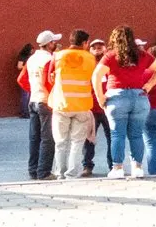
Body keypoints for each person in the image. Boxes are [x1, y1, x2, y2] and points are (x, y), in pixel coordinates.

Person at [93, 25, 156, 178]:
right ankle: (137, 168)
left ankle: (118, 168)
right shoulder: (142, 55)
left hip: (116, 96)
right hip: (139, 97)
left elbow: (96, 76)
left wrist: (101, 97)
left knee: (117, 135)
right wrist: (149, 85)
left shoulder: (111, 56)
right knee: (136, 134)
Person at [48, 30, 96, 179]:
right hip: (82, 105)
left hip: (61, 103)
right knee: (77, 142)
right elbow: (94, 79)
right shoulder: (90, 58)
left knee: (61, 142)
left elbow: (50, 78)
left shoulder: (58, 56)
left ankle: (60, 173)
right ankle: (71, 174)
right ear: (84, 43)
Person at [25, 30, 60, 180]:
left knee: (34, 137)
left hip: (33, 99)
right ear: (49, 44)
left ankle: (33, 169)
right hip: (45, 101)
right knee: (48, 138)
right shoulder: (49, 59)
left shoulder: (31, 59)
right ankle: (44, 172)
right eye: (54, 42)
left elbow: (22, 79)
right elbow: (50, 81)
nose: (56, 44)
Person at [82, 38, 112, 177]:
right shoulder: (87, 65)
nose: (98, 49)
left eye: (101, 46)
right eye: (94, 47)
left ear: (106, 48)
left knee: (113, 137)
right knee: (89, 139)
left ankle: (113, 165)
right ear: (90, 49)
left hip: (109, 107)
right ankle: (87, 166)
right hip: (91, 107)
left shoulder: (110, 65)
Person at [15, 42, 34, 119]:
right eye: (31, 50)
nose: (32, 52)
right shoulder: (22, 56)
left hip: (29, 77)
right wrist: (28, 67)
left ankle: (27, 112)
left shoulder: (28, 57)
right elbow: (19, 66)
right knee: (25, 96)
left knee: (28, 95)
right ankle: (24, 113)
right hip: (24, 78)